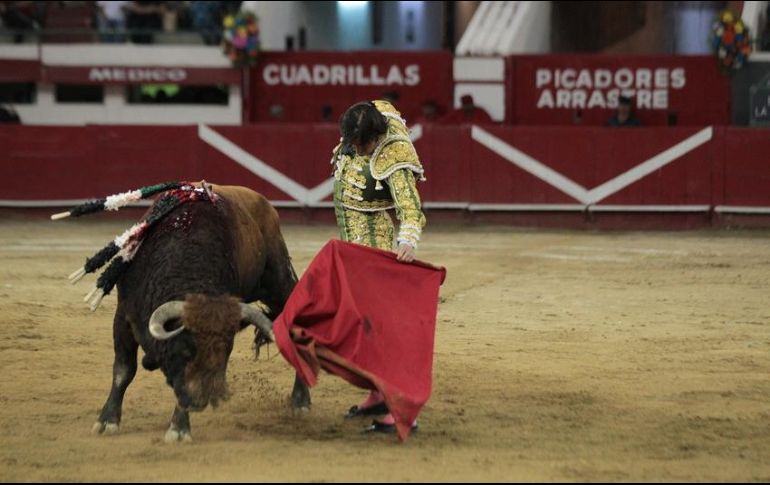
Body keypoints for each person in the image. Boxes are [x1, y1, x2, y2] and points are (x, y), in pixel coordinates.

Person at [331, 100, 427, 433]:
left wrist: (407, 241)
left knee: (383, 329)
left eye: (363, 143)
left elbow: (411, 209)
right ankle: (378, 394)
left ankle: (404, 407)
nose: (357, 150)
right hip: (353, 246)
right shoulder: (360, 129)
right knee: (365, 327)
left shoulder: (394, 155)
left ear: (377, 136)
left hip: (375, 249)